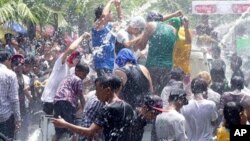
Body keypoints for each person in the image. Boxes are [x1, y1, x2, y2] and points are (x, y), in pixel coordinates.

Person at [52, 75, 134, 141]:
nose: (96, 94)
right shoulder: (128, 107)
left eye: (98, 91)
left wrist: (65, 124)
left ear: (108, 90)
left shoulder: (108, 108)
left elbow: (89, 132)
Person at [41, 32, 90, 115]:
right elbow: (70, 49)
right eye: (76, 57)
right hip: (50, 102)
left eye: (79, 57)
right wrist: (82, 37)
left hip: (60, 103)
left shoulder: (72, 72)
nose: (78, 59)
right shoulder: (61, 64)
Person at [52, 61, 89, 141]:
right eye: (84, 74)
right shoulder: (78, 80)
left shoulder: (67, 78)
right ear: (77, 70)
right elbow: (81, 97)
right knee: (72, 129)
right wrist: (85, 110)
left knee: (58, 132)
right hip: (67, 102)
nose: (84, 77)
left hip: (57, 102)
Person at [92, 0, 122, 77]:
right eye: (110, 12)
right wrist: (110, 1)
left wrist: (118, 6)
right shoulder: (97, 26)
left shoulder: (110, 26)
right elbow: (103, 16)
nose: (112, 14)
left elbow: (121, 21)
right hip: (102, 65)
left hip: (110, 64)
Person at [11, 54, 33, 141]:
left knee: (25, 131)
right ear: (12, 65)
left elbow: (30, 96)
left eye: (21, 64)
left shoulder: (27, 78)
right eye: (16, 64)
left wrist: (30, 97)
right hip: (12, 110)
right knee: (13, 132)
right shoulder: (10, 77)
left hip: (24, 108)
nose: (18, 66)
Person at [0, 50, 21, 139]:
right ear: (8, 60)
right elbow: (14, 99)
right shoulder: (11, 74)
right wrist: (18, 119)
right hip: (5, 117)